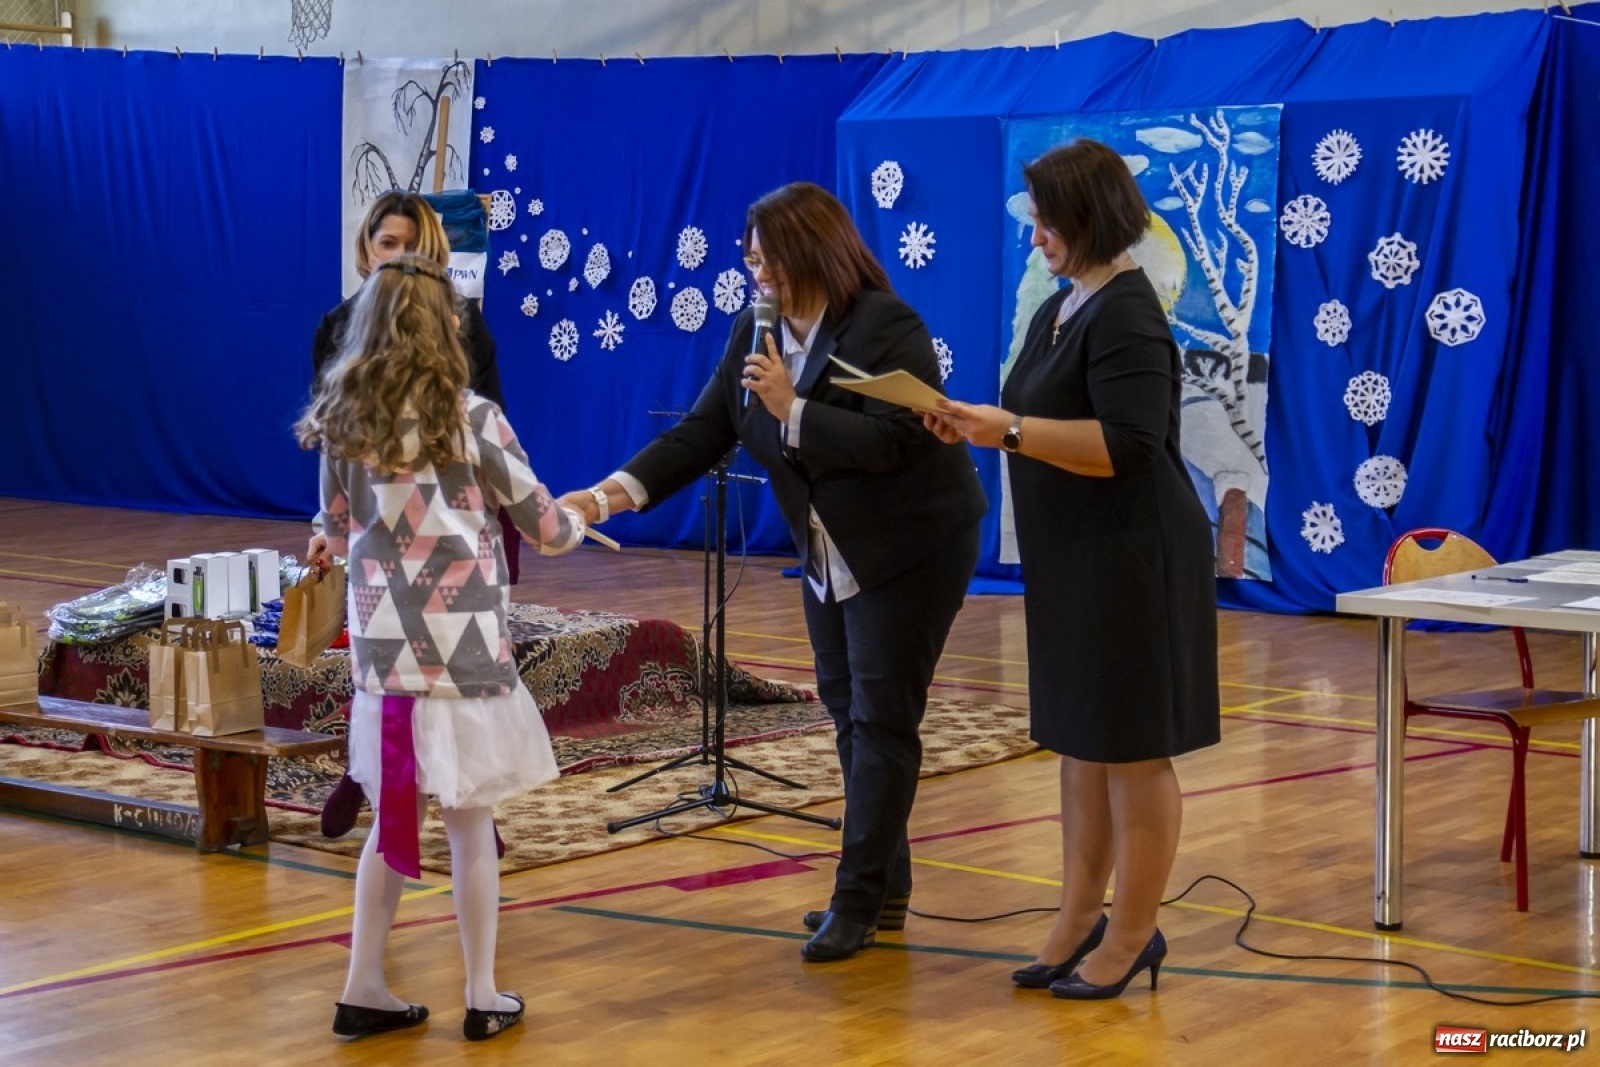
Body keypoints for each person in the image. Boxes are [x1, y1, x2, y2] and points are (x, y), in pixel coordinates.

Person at [560, 182, 985, 963]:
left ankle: (855, 900)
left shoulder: (888, 326)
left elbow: (898, 442)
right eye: (750, 258)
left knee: (884, 716)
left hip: (911, 545)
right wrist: (603, 497)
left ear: (813, 250)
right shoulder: (751, 335)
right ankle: (887, 886)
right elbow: (701, 433)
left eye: (769, 259)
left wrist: (793, 408)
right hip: (828, 546)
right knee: (849, 709)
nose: (757, 273)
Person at [923, 139, 1221, 1000]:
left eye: (1048, 219)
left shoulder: (1127, 308)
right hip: (1076, 558)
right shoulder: (1068, 305)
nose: (1036, 234)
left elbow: (1128, 445)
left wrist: (1006, 430)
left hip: (1132, 556)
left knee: (1131, 749)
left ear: (1088, 217)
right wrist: (981, 423)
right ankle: (1076, 916)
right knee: (1081, 745)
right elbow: (1040, 417)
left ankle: (1132, 932)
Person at [296, 253, 586, 1041]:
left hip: (385, 660)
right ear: (444, 328)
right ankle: (484, 991)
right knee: (468, 825)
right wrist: (586, 516)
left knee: (393, 819)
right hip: (462, 656)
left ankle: (364, 983)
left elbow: (328, 527)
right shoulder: (474, 418)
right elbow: (543, 524)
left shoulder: (342, 423)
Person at [313, 191, 518, 844]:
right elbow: (336, 449)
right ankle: (376, 777)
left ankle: (467, 800)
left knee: (464, 666)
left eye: (409, 245)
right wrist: (330, 528)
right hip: (383, 538)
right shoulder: (336, 328)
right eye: (385, 244)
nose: (396, 257)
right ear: (365, 249)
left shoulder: (463, 326)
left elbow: (484, 430)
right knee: (389, 660)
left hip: (457, 525)